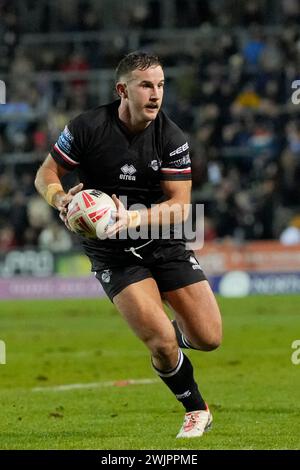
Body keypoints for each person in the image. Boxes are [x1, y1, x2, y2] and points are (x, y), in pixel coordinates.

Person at [35, 51, 222, 438]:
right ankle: (195, 408)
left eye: (161, 86)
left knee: (209, 338)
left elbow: (180, 205)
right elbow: (47, 173)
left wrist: (132, 217)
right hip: (112, 253)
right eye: (146, 86)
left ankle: (171, 335)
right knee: (162, 343)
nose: (156, 94)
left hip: (163, 241)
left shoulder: (170, 137)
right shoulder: (87, 128)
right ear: (123, 89)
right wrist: (61, 199)